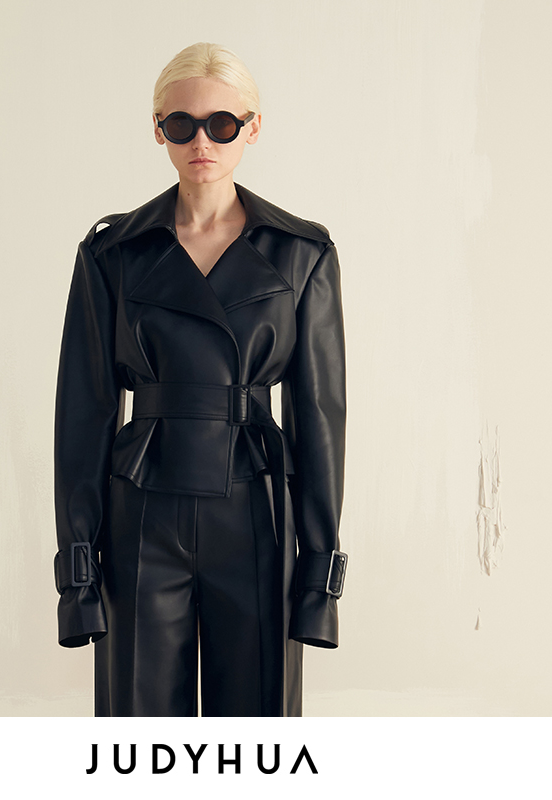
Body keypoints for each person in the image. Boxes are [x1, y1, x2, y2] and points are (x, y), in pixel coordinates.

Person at [53, 42, 347, 717]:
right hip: (141, 513)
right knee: (138, 733)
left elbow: (320, 422)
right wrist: (78, 574)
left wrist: (319, 577)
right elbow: (83, 416)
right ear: (158, 129)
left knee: (256, 735)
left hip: (256, 508)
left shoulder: (302, 253)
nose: (202, 142)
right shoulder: (113, 252)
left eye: (222, 123)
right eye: (182, 124)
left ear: (253, 127)